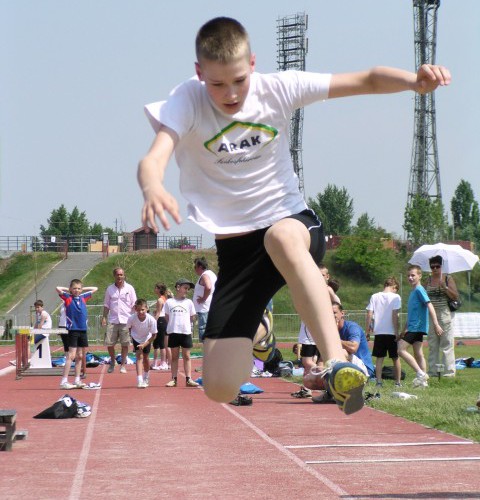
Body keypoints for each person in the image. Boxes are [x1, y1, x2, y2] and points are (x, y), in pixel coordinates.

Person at [137, 16, 450, 414]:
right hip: (238, 253)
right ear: (200, 74)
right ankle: (262, 336)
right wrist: (153, 187)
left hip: (293, 224)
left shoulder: (276, 89)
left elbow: (366, 79)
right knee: (218, 386)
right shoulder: (187, 99)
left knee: (280, 237)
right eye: (217, 84)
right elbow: (154, 157)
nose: (230, 93)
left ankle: (337, 363)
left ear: (252, 62)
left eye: (238, 80)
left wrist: (413, 80)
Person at [303, 302, 375, 406]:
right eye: (328, 313)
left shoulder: (352, 327)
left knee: (341, 352)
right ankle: (332, 393)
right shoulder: (326, 332)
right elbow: (322, 358)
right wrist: (320, 370)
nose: (331, 316)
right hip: (339, 365)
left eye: (334, 312)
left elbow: (353, 348)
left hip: (362, 369)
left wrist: (334, 338)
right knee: (308, 380)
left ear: (342, 313)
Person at [398, 265, 443, 388]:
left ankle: (420, 373)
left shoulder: (419, 290)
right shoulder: (413, 292)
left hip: (417, 327)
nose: (410, 278)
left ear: (420, 276)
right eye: (408, 275)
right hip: (412, 327)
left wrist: (436, 324)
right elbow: (412, 313)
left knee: (400, 349)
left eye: (413, 275)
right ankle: (424, 382)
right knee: (418, 353)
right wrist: (403, 330)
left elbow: (430, 305)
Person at [56, 279, 98, 389]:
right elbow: (58, 288)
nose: (77, 290)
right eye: (74, 288)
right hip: (73, 329)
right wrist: (68, 290)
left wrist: (83, 289)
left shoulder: (83, 297)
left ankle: (77, 380)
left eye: (79, 288)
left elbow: (95, 289)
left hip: (82, 329)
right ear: (71, 289)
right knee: (71, 355)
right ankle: (64, 381)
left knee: (80, 356)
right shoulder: (68, 297)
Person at [425, 255, 459, 378]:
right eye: (432, 266)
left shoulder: (447, 278)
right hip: (432, 317)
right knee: (433, 346)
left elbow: (455, 296)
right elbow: (424, 297)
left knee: (447, 345)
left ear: (441, 266)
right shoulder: (428, 280)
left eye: (437, 266)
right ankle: (432, 373)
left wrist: (445, 288)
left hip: (445, 315)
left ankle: (449, 374)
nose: (434, 269)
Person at [366, 277, 403, 387]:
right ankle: (398, 382)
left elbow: (369, 314)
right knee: (395, 358)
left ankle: (378, 382)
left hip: (379, 332)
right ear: (394, 287)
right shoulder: (396, 297)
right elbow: (394, 316)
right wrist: (397, 332)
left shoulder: (374, 296)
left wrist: (367, 331)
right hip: (391, 332)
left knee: (379, 358)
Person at [164, 278, 199, 387]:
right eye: (185, 288)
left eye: (188, 289)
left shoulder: (189, 302)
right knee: (174, 357)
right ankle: (174, 379)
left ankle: (188, 379)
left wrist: (190, 322)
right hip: (174, 332)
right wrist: (174, 325)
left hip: (185, 332)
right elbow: (167, 317)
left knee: (187, 356)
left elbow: (192, 317)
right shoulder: (169, 302)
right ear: (178, 287)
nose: (186, 290)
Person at [102, 267, 137, 374]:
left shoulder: (130, 288)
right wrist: (104, 317)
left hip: (126, 320)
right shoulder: (110, 289)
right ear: (114, 276)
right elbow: (106, 305)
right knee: (109, 343)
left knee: (125, 344)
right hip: (113, 319)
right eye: (117, 274)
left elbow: (134, 304)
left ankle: (122, 365)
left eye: (121, 274)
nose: (119, 276)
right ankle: (112, 362)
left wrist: (135, 319)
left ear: (124, 276)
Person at [127, 298, 157, 388]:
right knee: (139, 357)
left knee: (146, 358)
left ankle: (146, 376)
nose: (140, 312)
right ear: (135, 309)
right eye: (139, 310)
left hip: (147, 339)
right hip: (136, 338)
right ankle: (140, 380)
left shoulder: (151, 320)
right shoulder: (131, 318)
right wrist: (132, 338)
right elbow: (129, 328)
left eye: (143, 310)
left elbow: (154, 335)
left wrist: (144, 344)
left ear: (147, 308)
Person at [193, 257, 217, 343]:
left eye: (195, 267)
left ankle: (206, 351)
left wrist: (203, 298)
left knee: (203, 330)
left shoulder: (205, 275)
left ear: (199, 267)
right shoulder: (212, 274)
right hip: (209, 307)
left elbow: (208, 287)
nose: (194, 270)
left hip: (203, 308)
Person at [151, 282, 171, 370]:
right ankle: (162, 362)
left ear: (159, 289)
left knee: (160, 343)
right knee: (161, 343)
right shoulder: (165, 298)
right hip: (164, 321)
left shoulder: (160, 300)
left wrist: (153, 322)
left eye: (156, 288)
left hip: (161, 321)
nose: (154, 289)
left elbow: (159, 313)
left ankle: (163, 362)